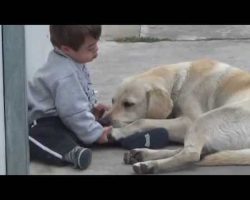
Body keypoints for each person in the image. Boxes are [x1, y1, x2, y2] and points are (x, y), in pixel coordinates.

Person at [28, 25, 112, 170]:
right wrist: (94, 133)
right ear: (66, 49)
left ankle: (113, 135)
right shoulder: (64, 74)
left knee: (81, 128)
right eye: (91, 47)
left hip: (63, 116)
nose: (96, 49)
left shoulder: (71, 59)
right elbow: (73, 112)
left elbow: (80, 91)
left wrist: (92, 106)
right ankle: (69, 152)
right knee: (38, 136)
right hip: (44, 119)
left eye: (96, 43)